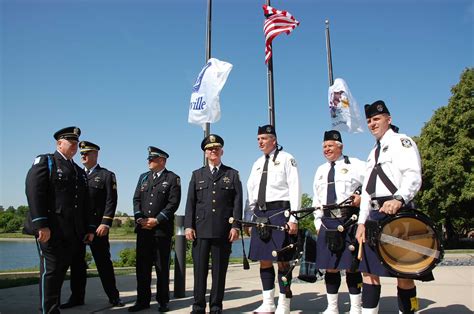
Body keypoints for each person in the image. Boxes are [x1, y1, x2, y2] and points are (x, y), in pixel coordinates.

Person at [355, 100, 431, 313]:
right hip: (374, 215)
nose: (372, 124)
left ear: (389, 119)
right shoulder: (372, 153)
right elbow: (367, 192)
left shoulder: (402, 142)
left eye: (376, 119)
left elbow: (413, 176)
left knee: (403, 274)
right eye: (369, 120)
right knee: (369, 273)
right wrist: (362, 222)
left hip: (399, 215)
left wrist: (399, 199)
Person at [24, 126, 96, 313]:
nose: (74, 147)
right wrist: (41, 224)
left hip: (72, 231)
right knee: (52, 271)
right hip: (51, 229)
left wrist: (89, 228)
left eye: (76, 144)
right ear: (59, 143)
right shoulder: (46, 162)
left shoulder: (78, 171)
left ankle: (54, 307)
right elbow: (34, 192)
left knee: (63, 270)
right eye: (70, 143)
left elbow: (84, 203)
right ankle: (48, 310)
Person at [244, 124, 301, 314]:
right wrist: (249, 218)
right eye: (258, 139)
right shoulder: (257, 163)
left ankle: (284, 303)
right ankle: (268, 302)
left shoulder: (287, 158)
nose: (260, 142)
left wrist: (294, 218)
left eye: (264, 138)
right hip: (261, 214)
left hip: (280, 213)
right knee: (264, 259)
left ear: (274, 140)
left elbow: (295, 188)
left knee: (283, 260)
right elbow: (251, 191)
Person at [184, 134, 243, 314]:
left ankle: (216, 305)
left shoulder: (232, 174)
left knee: (219, 271)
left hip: (223, 230)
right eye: (209, 149)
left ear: (221, 151)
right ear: (205, 153)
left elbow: (238, 202)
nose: (213, 151)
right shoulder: (197, 175)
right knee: (199, 271)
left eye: (216, 148)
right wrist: (188, 225)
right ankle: (198, 306)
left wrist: (236, 226)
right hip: (200, 230)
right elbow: (190, 203)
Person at [61, 141, 124, 308]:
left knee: (103, 263)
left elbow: (111, 201)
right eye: (81, 153)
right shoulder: (77, 174)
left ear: (96, 155)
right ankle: (77, 298)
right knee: (77, 264)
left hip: (98, 228)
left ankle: (113, 296)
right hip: (78, 228)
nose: (83, 156)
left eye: (87, 153)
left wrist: (106, 223)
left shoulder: (106, 175)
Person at [312, 130, 365, 314]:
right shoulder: (320, 170)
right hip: (327, 221)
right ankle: (332, 307)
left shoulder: (356, 165)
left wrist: (361, 197)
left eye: (330, 146)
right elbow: (316, 199)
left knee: (352, 267)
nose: (326, 149)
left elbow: (372, 184)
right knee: (330, 267)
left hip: (348, 220)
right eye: (324, 146)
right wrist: (318, 223)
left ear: (340, 146)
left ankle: (356, 308)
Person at [129, 146, 181, 312]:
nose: (149, 161)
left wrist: (157, 220)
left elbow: (173, 203)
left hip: (161, 231)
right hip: (143, 230)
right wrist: (139, 218)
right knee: (142, 268)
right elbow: (136, 199)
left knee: (161, 268)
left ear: (162, 160)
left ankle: (163, 300)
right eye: (148, 159)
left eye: (152, 159)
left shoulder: (172, 178)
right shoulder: (143, 178)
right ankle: (142, 300)